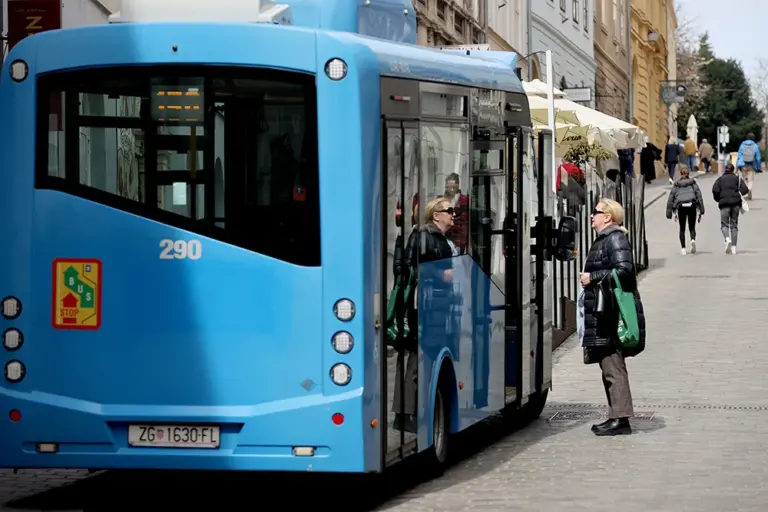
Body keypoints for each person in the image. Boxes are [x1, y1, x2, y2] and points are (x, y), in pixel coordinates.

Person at [579, 199, 646, 436]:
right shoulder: (605, 239)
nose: (591, 216)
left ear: (607, 217)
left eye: (595, 212)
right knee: (608, 365)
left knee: (613, 366)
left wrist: (592, 277)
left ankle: (621, 419)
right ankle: (616, 415)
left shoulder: (615, 238)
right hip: (604, 312)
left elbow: (625, 271)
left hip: (610, 314)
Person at [666, 165, 705, 255]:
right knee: (692, 227)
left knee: (682, 228)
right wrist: (701, 209)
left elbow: (671, 198)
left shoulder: (677, 185)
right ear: (688, 174)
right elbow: (699, 196)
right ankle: (692, 240)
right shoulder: (693, 183)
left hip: (681, 206)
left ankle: (683, 248)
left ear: (680, 174)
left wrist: (669, 213)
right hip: (692, 205)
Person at [712, 163, 749, 255]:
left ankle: (727, 239)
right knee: (734, 225)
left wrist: (718, 198)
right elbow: (745, 190)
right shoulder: (738, 179)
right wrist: (737, 193)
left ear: (725, 169)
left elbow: (715, 190)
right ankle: (734, 248)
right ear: (733, 170)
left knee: (724, 224)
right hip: (736, 204)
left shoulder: (720, 180)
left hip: (724, 204)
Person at [736, 133, 761, 200]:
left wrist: (737, 166)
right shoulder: (755, 146)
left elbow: (739, 156)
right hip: (751, 165)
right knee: (750, 180)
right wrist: (758, 167)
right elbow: (758, 158)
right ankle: (749, 189)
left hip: (742, 165)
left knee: (746, 179)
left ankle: (749, 195)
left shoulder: (742, 145)